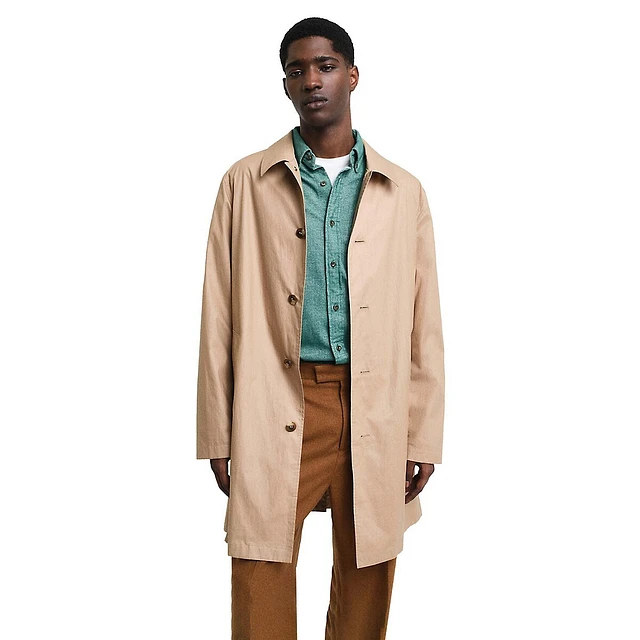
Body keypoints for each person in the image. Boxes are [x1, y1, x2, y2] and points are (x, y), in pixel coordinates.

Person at [196, 16, 445, 639]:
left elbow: (425, 323)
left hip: (373, 403)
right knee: (260, 571)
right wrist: (216, 430)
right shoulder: (244, 183)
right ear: (285, 85)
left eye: (326, 66)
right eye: (297, 70)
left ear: (352, 76)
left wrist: (423, 433)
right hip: (274, 398)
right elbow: (217, 312)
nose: (312, 80)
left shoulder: (403, 191)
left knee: (368, 577)